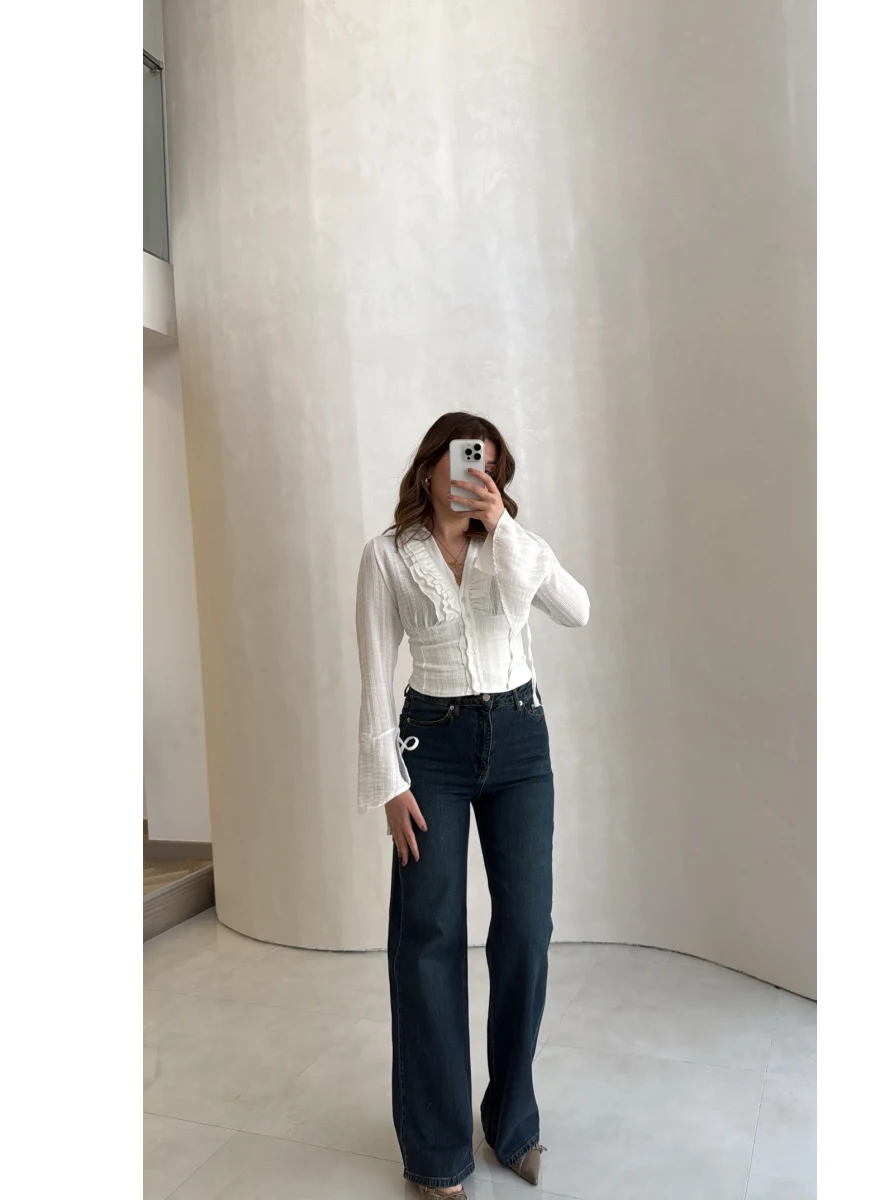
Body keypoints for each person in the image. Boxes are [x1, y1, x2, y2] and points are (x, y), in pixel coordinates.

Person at [355, 412, 590, 1196]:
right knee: (427, 935)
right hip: (431, 746)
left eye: (487, 466)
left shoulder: (513, 545)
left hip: (520, 744)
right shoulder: (388, 555)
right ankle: (436, 1151)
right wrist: (390, 782)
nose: (473, 475)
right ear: (431, 466)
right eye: (462, 461)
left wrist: (505, 527)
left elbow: (577, 609)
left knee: (525, 930)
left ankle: (513, 1122)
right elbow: (373, 673)